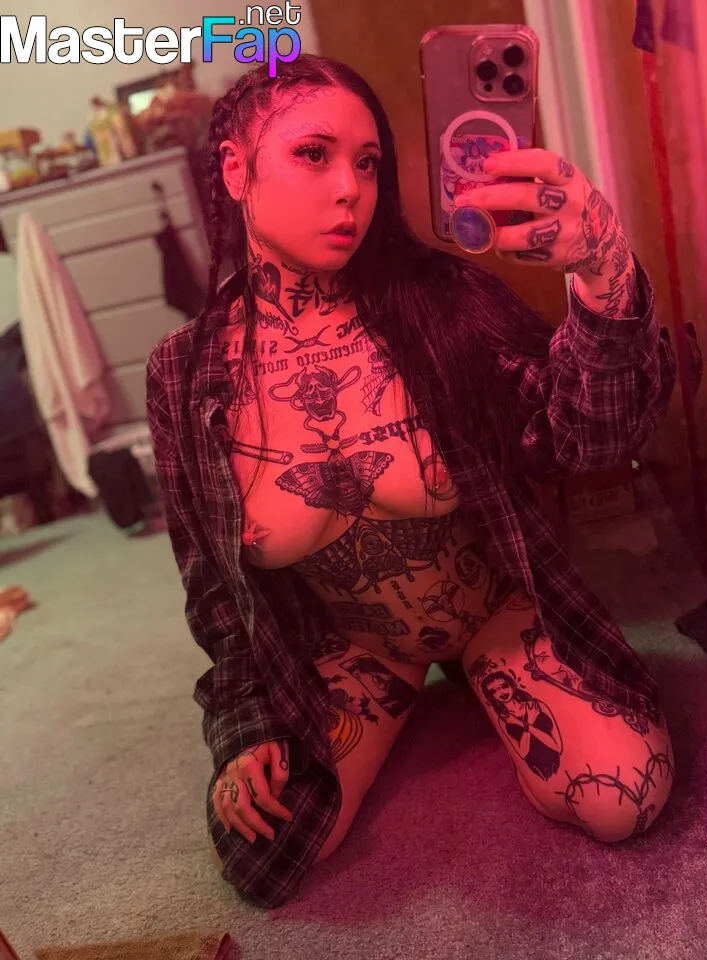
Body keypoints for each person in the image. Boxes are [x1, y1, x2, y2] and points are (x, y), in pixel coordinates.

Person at [146, 55, 678, 909]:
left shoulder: (438, 299)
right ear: (237, 170)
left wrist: (603, 267)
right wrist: (241, 727)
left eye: (367, 162)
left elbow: (588, 435)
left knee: (624, 797)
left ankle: (483, 673)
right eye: (313, 154)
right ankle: (409, 688)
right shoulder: (185, 372)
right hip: (360, 646)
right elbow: (211, 582)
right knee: (265, 852)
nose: (350, 189)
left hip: (493, 613)